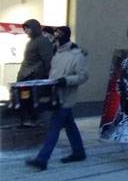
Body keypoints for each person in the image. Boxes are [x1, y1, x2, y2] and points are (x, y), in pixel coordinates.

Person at [25, 26, 89, 171]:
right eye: (56, 33)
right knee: (70, 125)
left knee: (54, 127)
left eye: (59, 33)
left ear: (67, 35)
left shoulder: (77, 55)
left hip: (66, 96)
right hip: (54, 94)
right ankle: (79, 152)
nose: (56, 35)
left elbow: (83, 76)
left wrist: (66, 80)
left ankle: (42, 159)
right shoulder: (56, 52)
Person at [17, 19, 54, 126]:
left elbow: (47, 60)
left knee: (31, 99)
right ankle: (28, 119)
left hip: (34, 77)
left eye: (28, 28)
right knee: (24, 99)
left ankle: (33, 120)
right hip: (25, 77)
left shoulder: (42, 41)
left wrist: (47, 76)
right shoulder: (31, 41)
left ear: (34, 28)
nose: (26, 31)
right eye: (25, 29)